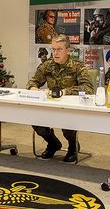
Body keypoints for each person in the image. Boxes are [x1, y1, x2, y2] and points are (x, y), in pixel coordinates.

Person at [25, 34, 94, 162]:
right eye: (53, 49)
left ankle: (73, 146)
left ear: (68, 51)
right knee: (35, 119)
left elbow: (88, 88)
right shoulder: (47, 65)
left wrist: (65, 92)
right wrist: (34, 88)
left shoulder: (78, 66)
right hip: (51, 105)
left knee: (67, 122)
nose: (55, 53)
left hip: (70, 109)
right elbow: (32, 82)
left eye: (59, 49)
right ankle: (53, 143)